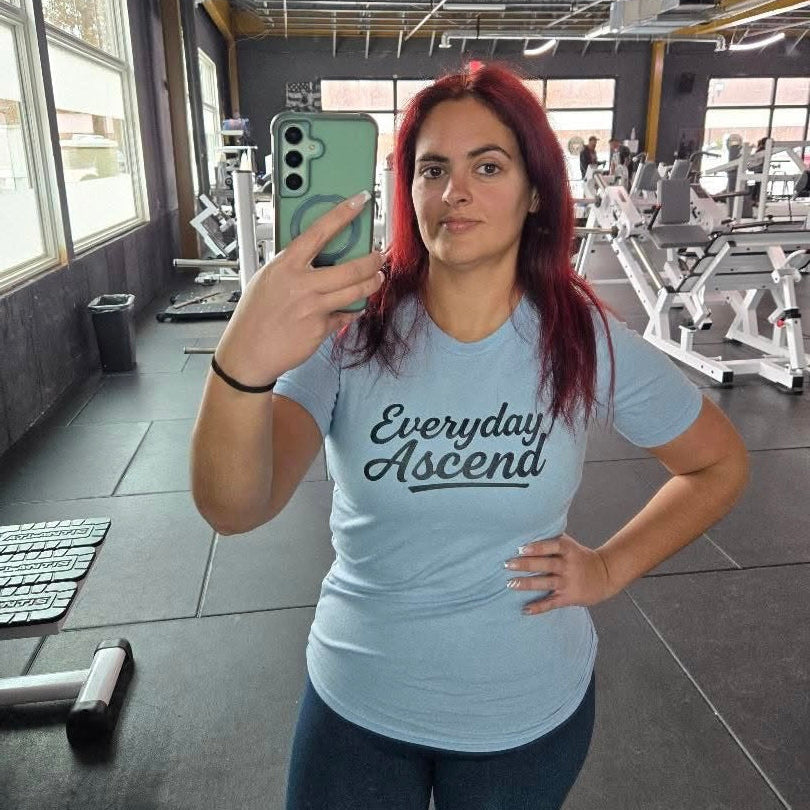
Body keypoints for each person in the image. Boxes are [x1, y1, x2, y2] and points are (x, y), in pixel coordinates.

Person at [190, 63, 748, 810]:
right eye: (433, 169)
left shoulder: (581, 338)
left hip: (524, 713)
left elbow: (719, 464)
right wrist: (242, 361)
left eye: (488, 166)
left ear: (535, 191)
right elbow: (235, 507)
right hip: (359, 699)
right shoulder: (349, 332)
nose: (454, 191)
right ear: (409, 191)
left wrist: (609, 569)